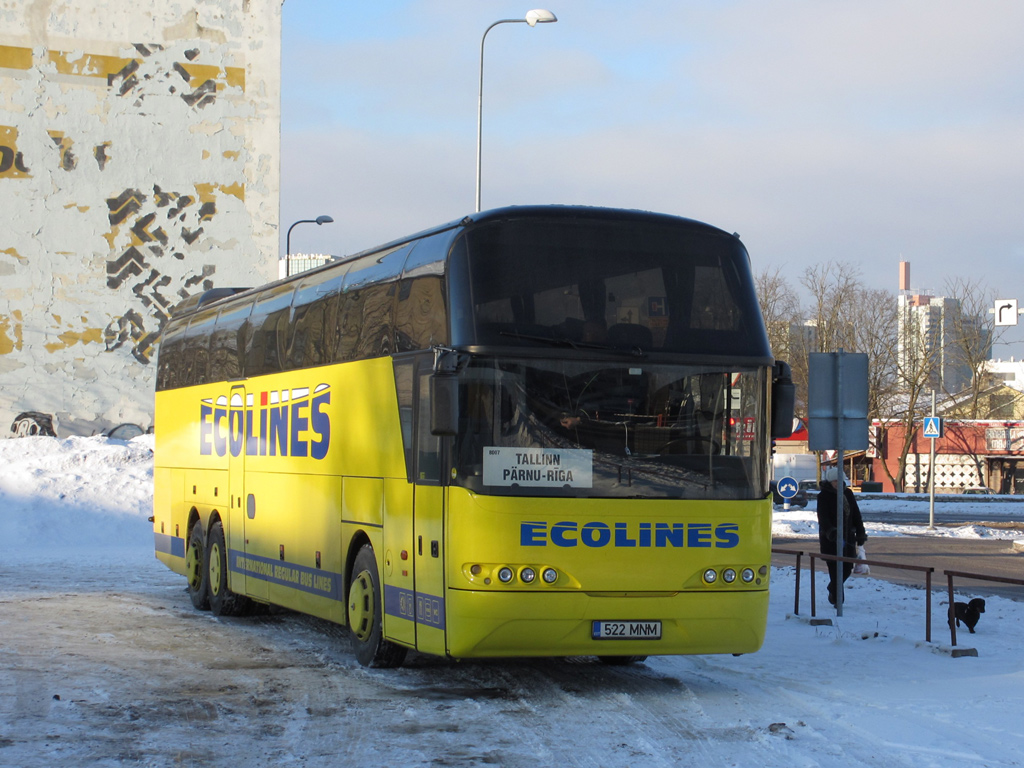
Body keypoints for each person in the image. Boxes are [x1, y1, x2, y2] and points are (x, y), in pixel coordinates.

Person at [816, 466, 867, 606]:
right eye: (835, 481)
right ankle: (838, 601)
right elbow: (823, 517)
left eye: (840, 481)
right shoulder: (823, 496)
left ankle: (832, 588)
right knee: (834, 569)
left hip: (848, 538)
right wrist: (830, 531)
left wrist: (860, 532)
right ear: (830, 482)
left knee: (847, 569)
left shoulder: (848, 494)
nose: (838, 484)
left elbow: (856, 514)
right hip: (831, 540)